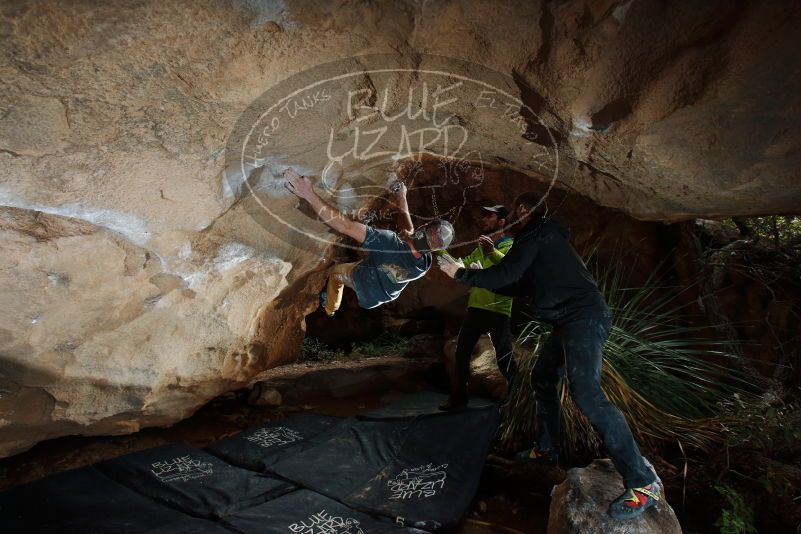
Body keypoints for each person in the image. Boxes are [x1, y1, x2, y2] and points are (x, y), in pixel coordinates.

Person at [437, 191, 659, 520]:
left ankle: (642, 483)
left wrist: (460, 273)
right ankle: (548, 449)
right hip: (565, 322)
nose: (502, 222)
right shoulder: (533, 242)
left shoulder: (540, 233)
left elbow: (505, 276)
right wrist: (472, 271)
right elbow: (515, 284)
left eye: (509, 215)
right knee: (542, 377)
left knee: (587, 395)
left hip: (584, 317)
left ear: (524, 212)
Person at [284, 168, 454, 316]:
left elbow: (345, 227)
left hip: (367, 289)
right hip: (384, 294)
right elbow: (410, 233)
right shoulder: (424, 264)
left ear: (424, 226)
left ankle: (330, 308)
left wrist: (308, 193)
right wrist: (402, 198)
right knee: (378, 257)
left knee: (336, 273)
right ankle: (365, 249)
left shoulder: (387, 243)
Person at [439, 205, 518, 411]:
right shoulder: (481, 248)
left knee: (504, 357)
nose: (484, 219)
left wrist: (492, 251)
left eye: (489, 216)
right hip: (476, 308)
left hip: (498, 309)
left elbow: (508, 269)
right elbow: (462, 266)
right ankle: (458, 399)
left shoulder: (511, 245)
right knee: (462, 352)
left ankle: (520, 398)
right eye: (484, 215)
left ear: (502, 221)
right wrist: (439, 248)